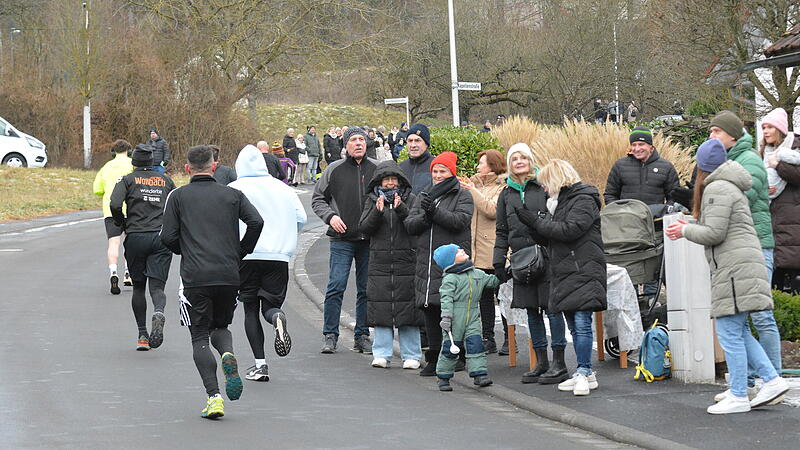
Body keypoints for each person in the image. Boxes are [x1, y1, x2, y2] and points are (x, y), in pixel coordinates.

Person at [665, 139, 789, 414]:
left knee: (728, 331)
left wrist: (684, 231)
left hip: (734, 268)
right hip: (741, 264)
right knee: (738, 330)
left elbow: (714, 233)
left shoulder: (717, 188)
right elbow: (720, 227)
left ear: (702, 166)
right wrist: (692, 225)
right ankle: (771, 380)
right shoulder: (729, 184)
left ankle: (739, 394)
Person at [160, 145, 264, 420]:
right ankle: (228, 353)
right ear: (214, 166)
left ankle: (214, 397)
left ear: (186, 168)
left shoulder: (178, 196)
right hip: (229, 273)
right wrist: (241, 251)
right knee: (222, 326)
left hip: (196, 276)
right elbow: (256, 222)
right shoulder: (232, 195)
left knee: (199, 335)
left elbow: (167, 236)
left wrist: (186, 249)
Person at [516, 159, 607, 396]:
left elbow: (570, 230)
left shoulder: (584, 199)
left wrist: (537, 222)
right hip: (566, 270)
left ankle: (585, 370)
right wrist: (532, 227)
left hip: (583, 268)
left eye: (546, 183)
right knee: (574, 326)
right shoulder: (558, 203)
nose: (544, 189)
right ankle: (584, 372)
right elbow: (551, 239)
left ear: (557, 180)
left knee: (582, 323)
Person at [708, 110, 781, 385]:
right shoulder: (729, 160)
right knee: (741, 321)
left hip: (756, 245)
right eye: (711, 132)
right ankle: (752, 376)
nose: (712, 136)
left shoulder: (748, 160)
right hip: (740, 247)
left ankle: (771, 376)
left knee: (761, 316)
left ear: (732, 135)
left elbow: (740, 198)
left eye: (717, 132)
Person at [228, 145, 306, 382]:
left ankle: (260, 365)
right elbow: (301, 218)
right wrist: (286, 238)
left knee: (249, 308)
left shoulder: (234, 189)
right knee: (270, 305)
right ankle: (276, 317)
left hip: (247, 255)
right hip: (278, 256)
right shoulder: (283, 188)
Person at [494, 143, 568, 384]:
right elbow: (502, 230)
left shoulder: (544, 185)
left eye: (523, 157)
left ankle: (559, 362)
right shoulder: (506, 194)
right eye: (514, 158)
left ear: (530, 160)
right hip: (521, 259)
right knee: (531, 312)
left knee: (552, 310)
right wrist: (498, 260)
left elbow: (557, 219)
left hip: (546, 255)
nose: (518, 161)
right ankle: (541, 362)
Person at [406, 151, 474, 377]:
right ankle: (434, 357)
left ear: (451, 173)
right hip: (427, 260)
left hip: (451, 263)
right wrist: (425, 216)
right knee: (430, 309)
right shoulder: (424, 195)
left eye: (442, 171)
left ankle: (457, 355)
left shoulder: (462, 195)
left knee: (452, 311)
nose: (437, 175)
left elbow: (459, 221)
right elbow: (410, 224)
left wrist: (434, 211)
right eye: (434, 171)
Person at [312, 127, 378, 354]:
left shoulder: (377, 169)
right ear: (345, 145)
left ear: (367, 143)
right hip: (341, 239)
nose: (358, 143)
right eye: (353, 140)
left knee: (366, 289)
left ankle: (362, 335)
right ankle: (330, 334)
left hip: (370, 239)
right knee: (336, 286)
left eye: (362, 139)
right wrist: (330, 217)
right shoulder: (333, 169)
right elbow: (318, 199)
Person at [358, 161, 424, 369]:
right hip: (380, 263)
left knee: (408, 310)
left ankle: (412, 354)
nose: (389, 183)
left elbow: (416, 226)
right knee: (381, 309)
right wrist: (377, 213)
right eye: (385, 180)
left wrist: (402, 209)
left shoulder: (412, 199)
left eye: (393, 179)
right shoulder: (371, 200)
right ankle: (382, 353)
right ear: (379, 182)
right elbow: (364, 229)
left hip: (407, 262)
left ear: (400, 181)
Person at [110, 145, 176, 351]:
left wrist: (122, 222)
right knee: (157, 287)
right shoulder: (166, 181)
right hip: (160, 237)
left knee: (138, 287)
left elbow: (114, 203)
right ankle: (159, 311)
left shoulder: (127, 180)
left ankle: (142, 335)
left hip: (136, 235)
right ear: (152, 162)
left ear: (134, 162)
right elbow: (176, 206)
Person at [432, 244, 498, 391]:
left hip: (473, 317)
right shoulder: (450, 278)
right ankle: (443, 376)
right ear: (451, 260)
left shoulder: (477, 274)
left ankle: (479, 374)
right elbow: (446, 298)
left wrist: (503, 273)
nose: (462, 250)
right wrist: (446, 317)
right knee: (450, 348)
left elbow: (493, 281)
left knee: (476, 345)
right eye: (457, 251)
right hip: (454, 320)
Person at [460, 149, 506, 353]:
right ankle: (489, 337)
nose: (478, 166)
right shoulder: (475, 184)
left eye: (482, 163)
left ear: (493, 166)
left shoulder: (502, 187)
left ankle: (509, 338)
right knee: (484, 297)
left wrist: (472, 190)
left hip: (494, 249)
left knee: (503, 295)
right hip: (476, 249)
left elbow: (492, 210)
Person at [759, 108, 800, 293]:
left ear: (780, 129)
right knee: (775, 272)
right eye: (764, 127)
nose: (766, 131)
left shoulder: (794, 148)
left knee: (792, 267)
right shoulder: (764, 152)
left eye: (770, 127)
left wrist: (778, 165)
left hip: (792, 218)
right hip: (773, 217)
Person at [93, 139, 134, 294]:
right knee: (130, 242)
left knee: (113, 243)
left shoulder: (106, 167)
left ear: (113, 152)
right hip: (131, 210)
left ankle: (113, 272)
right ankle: (128, 272)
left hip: (111, 210)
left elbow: (97, 189)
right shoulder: (132, 165)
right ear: (129, 152)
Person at [604, 126, 680, 205]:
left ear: (650, 146)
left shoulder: (666, 167)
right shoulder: (620, 165)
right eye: (634, 145)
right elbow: (610, 194)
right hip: (626, 216)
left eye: (641, 144)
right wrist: (618, 211)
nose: (637, 149)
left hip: (655, 216)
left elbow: (674, 197)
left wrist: (664, 211)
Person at [399, 124, 436, 194]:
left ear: (426, 144)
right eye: (410, 141)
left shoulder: (436, 166)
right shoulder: (401, 167)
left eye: (417, 140)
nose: (413, 145)